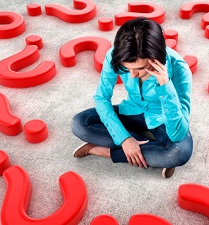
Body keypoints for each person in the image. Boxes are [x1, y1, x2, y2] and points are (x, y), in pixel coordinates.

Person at [71, 17, 193, 178]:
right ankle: (156, 155)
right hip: (132, 110)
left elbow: (177, 134)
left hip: (163, 117)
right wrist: (125, 139)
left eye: (140, 68)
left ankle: (101, 150)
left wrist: (165, 85)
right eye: (128, 69)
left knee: (180, 153)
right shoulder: (115, 56)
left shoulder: (179, 69)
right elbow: (101, 98)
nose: (132, 75)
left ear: (156, 57)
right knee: (79, 124)